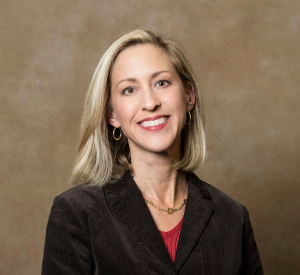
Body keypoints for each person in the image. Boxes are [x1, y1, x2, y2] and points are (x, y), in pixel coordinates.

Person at [41, 28, 264, 275]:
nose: (150, 103)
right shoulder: (76, 213)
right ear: (112, 114)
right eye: (129, 89)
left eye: (162, 82)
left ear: (189, 96)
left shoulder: (232, 217)